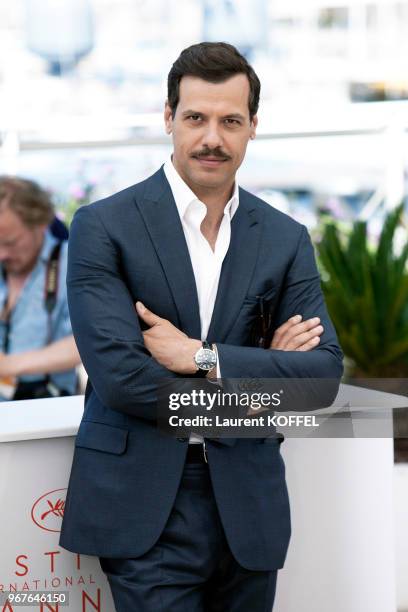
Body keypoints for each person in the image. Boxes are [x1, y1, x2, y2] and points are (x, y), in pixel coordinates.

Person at [60, 42, 343, 611]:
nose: (212, 137)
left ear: (252, 128)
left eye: (230, 121)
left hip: (249, 507)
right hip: (146, 510)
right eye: (196, 118)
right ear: (168, 118)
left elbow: (320, 381)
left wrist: (202, 357)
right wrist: (263, 376)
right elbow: (123, 380)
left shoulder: (285, 238)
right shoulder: (103, 227)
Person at [0, 177, 81, 400]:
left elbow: (89, 341)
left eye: (11, 242)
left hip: (46, 405)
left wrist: (8, 366)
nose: (2, 255)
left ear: (41, 223)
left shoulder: (73, 263)